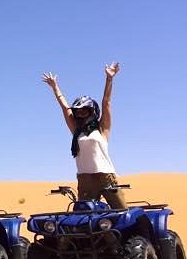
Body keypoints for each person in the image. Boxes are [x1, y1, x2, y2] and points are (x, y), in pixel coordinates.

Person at [42, 62, 126, 209]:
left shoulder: (102, 129)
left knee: (122, 212)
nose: (80, 114)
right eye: (78, 112)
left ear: (92, 111)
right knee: (84, 215)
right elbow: (64, 107)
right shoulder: (76, 130)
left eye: (84, 111)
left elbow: (106, 102)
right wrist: (55, 87)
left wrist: (109, 79)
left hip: (106, 176)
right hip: (85, 178)